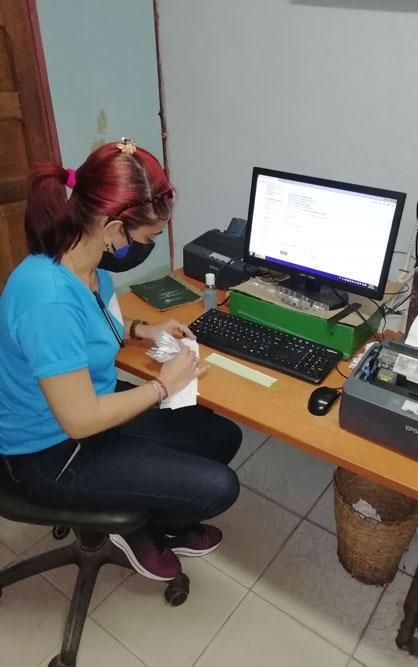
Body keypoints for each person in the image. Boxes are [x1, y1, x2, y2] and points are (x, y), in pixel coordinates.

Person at [0, 139, 241, 582]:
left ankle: (154, 518)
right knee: (220, 487)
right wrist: (163, 386)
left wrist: (140, 330)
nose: (147, 246)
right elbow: (80, 421)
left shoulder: (86, 263)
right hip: (50, 453)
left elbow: (91, 323)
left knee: (221, 436)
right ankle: (139, 529)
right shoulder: (45, 298)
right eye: (146, 238)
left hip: (96, 408)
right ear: (113, 229)